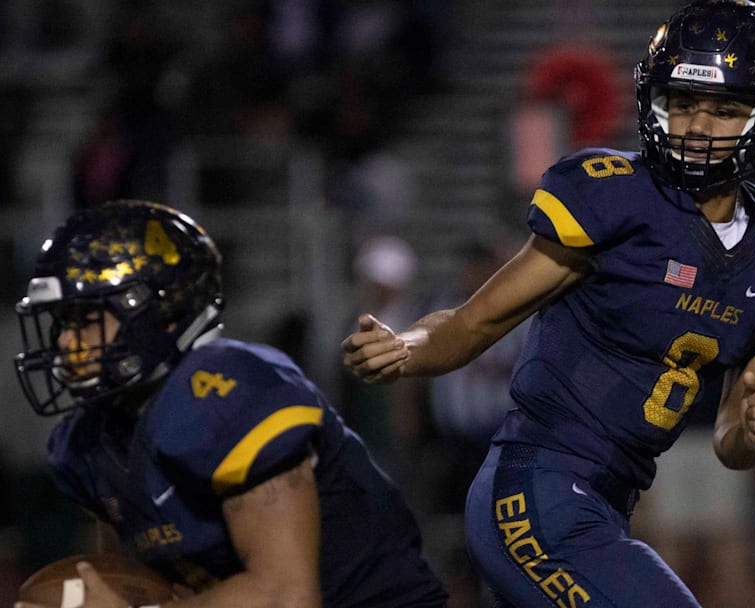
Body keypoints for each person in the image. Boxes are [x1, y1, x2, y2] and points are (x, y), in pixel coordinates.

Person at [342, 1, 755, 605]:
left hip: (608, 504)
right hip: (536, 492)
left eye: (724, 110)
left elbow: (733, 435)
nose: (697, 126)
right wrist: (406, 347)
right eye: (683, 103)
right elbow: (472, 322)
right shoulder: (612, 199)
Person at [13, 200, 448, 608]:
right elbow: (128, 583)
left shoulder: (224, 391)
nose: (68, 343)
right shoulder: (90, 439)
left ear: (156, 313)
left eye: (87, 320)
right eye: (64, 324)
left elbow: (287, 597)